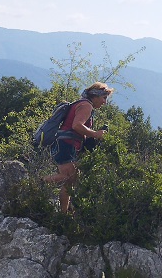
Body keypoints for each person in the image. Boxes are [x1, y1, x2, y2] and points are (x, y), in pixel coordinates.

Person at [43, 82, 113, 213]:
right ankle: (39, 182)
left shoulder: (81, 104)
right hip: (66, 144)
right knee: (68, 177)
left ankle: (64, 213)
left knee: (71, 180)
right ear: (95, 96)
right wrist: (96, 134)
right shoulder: (86, 106)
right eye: (104, 98)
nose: (105, 102)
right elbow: (76, 126)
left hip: (65, 144)